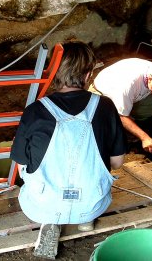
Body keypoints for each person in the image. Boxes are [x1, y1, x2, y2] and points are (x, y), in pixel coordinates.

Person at [10, 40, 126, 259]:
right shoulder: (105, 106)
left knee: (26, 170)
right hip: (92, 202)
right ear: (88, 74)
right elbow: (118, 162)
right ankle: (85, 219)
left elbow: (20, 161)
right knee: (98, 176)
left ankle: (52, 218)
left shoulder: (34, 111)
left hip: (42, 204)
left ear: (53, 72)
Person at [89, 58, 152, 156]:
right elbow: (122, 116)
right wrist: (144, 137)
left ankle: (130, 121)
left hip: (130, 98)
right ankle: (124, 129)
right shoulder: (129, 83)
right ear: (149, 78)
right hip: (102, 95)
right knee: (106, 128)